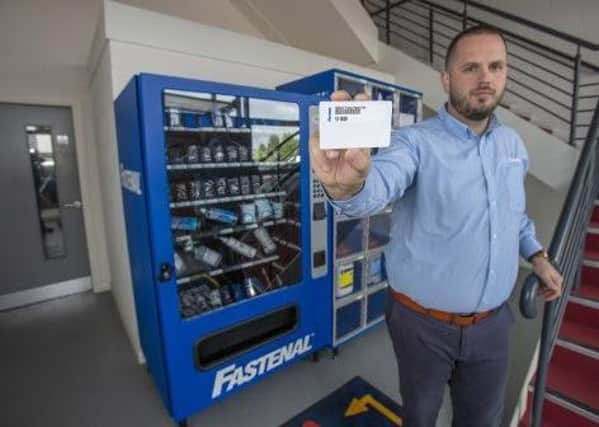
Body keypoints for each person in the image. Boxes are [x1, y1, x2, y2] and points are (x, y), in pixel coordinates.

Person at [310, 25, 564, 427]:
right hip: (421, 326)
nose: (485, 78)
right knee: (421, 415)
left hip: (494, 326)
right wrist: (348, 187)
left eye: (495, 66)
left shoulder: (513, 145)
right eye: (471, 68)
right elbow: (377, 185)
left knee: (481, 420)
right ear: (446, 80)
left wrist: (537, 255)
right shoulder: (412, 143)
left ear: (506, 74)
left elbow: (513, 215)